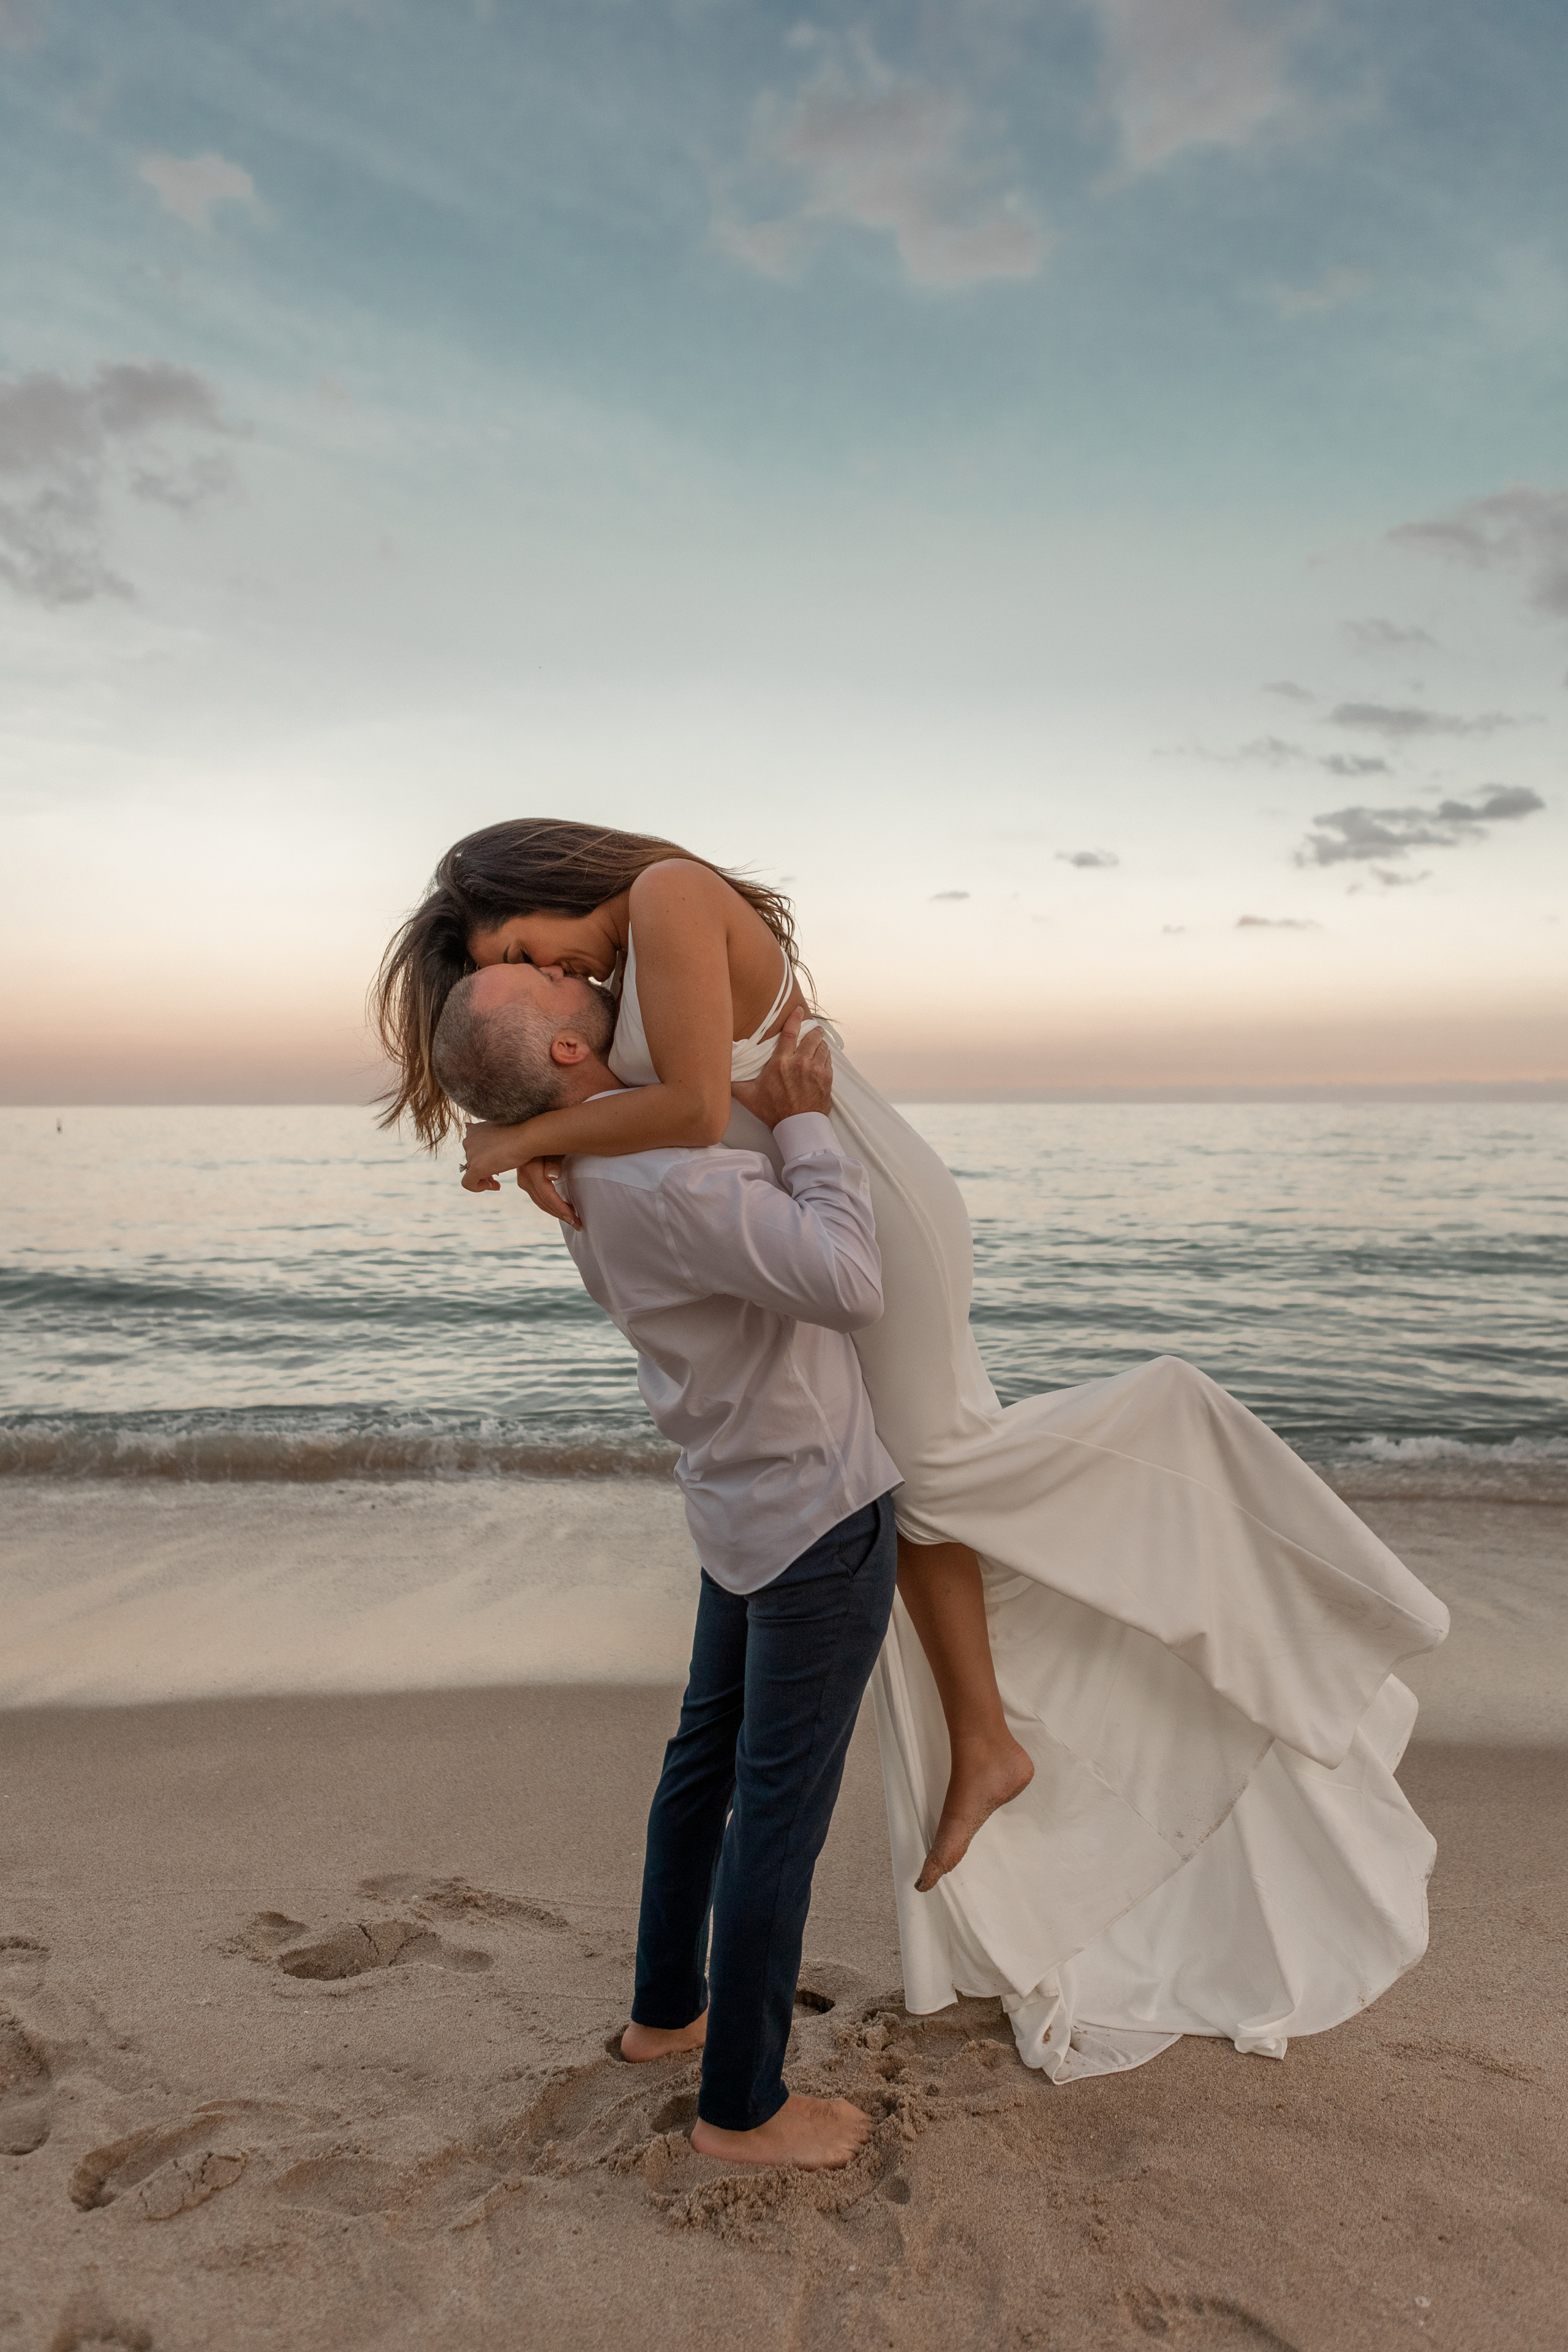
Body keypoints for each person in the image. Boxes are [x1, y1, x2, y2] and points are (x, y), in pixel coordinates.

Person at [377, 820, 1450, 2084]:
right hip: (817, 1189)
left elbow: (686, 1106)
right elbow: (659, 1111)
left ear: (541, 887)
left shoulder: (666, 895)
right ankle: (986, 1736)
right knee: (918, 1475)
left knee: (927, 1469)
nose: (551, 972)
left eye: (514, 943)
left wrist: (521, 1140)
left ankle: (1169, 1429)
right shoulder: (612, 978)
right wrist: (553, 1131)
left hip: (862, 1199)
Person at [431, 959, 899, 2168]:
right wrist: (802, 1129)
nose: (568, 966)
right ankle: (742, 2109)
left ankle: (662, 2014)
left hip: (735, 1502)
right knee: (774, 1815)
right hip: (810, 1510)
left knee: (703, 1767)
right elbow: (850, 1283)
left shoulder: (583, 1159)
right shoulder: (661, 1174)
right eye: (535, 973)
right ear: (570, 1056)